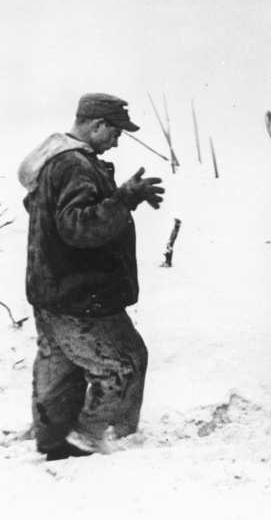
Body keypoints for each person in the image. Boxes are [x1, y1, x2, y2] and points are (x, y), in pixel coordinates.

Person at [19, 93, 165, 460]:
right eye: (116, 131)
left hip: (51, 291)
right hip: (81, 295)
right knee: (125, 362)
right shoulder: (75, 164)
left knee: (61, 365)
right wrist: (124, 200)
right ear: (97, 125)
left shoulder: (53, 160)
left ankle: (53, 439)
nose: (117, 140)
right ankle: (95, 437)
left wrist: (117, 195)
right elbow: (77, 226)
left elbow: (54, 214)